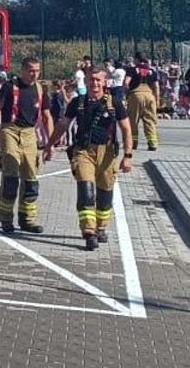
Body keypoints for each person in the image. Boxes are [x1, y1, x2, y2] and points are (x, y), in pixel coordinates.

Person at [51, 69, 133, 251]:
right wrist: (49, 144)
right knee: (86, 189)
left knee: (105, 191)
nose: (94, 83)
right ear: (86, 81)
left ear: (104, 82)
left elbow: (126, 129)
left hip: (107, 152)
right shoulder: (77, 102)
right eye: (91, 80)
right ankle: (89, 232)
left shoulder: (115, 103)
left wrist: (127, 156)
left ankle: (101, 226)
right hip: (83, 151)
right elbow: (64, 124)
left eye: (98, 80)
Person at [0, 57, 51, 235]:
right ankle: (6, 219)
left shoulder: (41, 89)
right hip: (10, 129)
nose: (34, 74)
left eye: (37, 71)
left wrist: (50, 143)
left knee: (31, 177)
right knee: (11, 173)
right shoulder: (10, 87)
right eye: (31, 70)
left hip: (29, 133)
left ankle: (27, 219)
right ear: (23, 70)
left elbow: (47, 116)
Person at [126, 55, 161, 151]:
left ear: (137, 61)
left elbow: (126, 82)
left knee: (133, 121)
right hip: (149, 96)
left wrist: (126, 94)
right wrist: (157, 99)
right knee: (150, 120)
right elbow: (157, 87)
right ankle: (152, 143)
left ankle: (133, 143)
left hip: (135, 95)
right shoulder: (152, 71)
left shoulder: (132, 70)